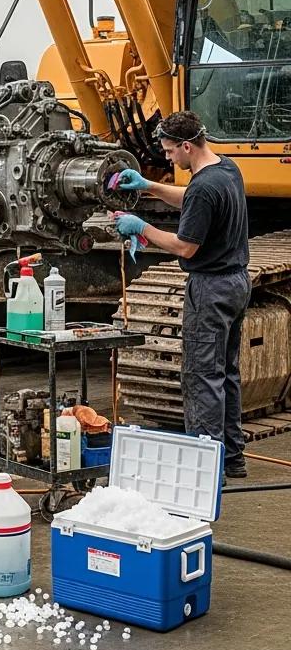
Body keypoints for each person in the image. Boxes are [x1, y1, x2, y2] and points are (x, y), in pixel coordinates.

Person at [113, 110, 250, 478]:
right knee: (226, 374)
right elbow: (192, 200)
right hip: (236, 282)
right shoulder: (225, 169)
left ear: (187, 146)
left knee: (202, 377)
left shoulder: (205, 186)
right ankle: (232, 459)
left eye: (171, 151)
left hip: (210, 288)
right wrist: (148, 186)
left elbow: (186, 247)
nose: (169, 158)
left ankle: (205, 474)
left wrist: (141, 227)